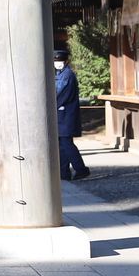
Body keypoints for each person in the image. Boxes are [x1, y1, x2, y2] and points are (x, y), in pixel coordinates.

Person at [53, 48, 87, 180]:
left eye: (60, 60)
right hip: (63, 116)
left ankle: (81, 169)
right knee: (62, 144)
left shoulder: (67, 75)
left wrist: (51, 106)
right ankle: (64, 172)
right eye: (56, 61)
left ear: (66, 61)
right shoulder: (60, 74)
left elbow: (60, 95)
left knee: (66, 143)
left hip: (65, 115)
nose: (58, 63)